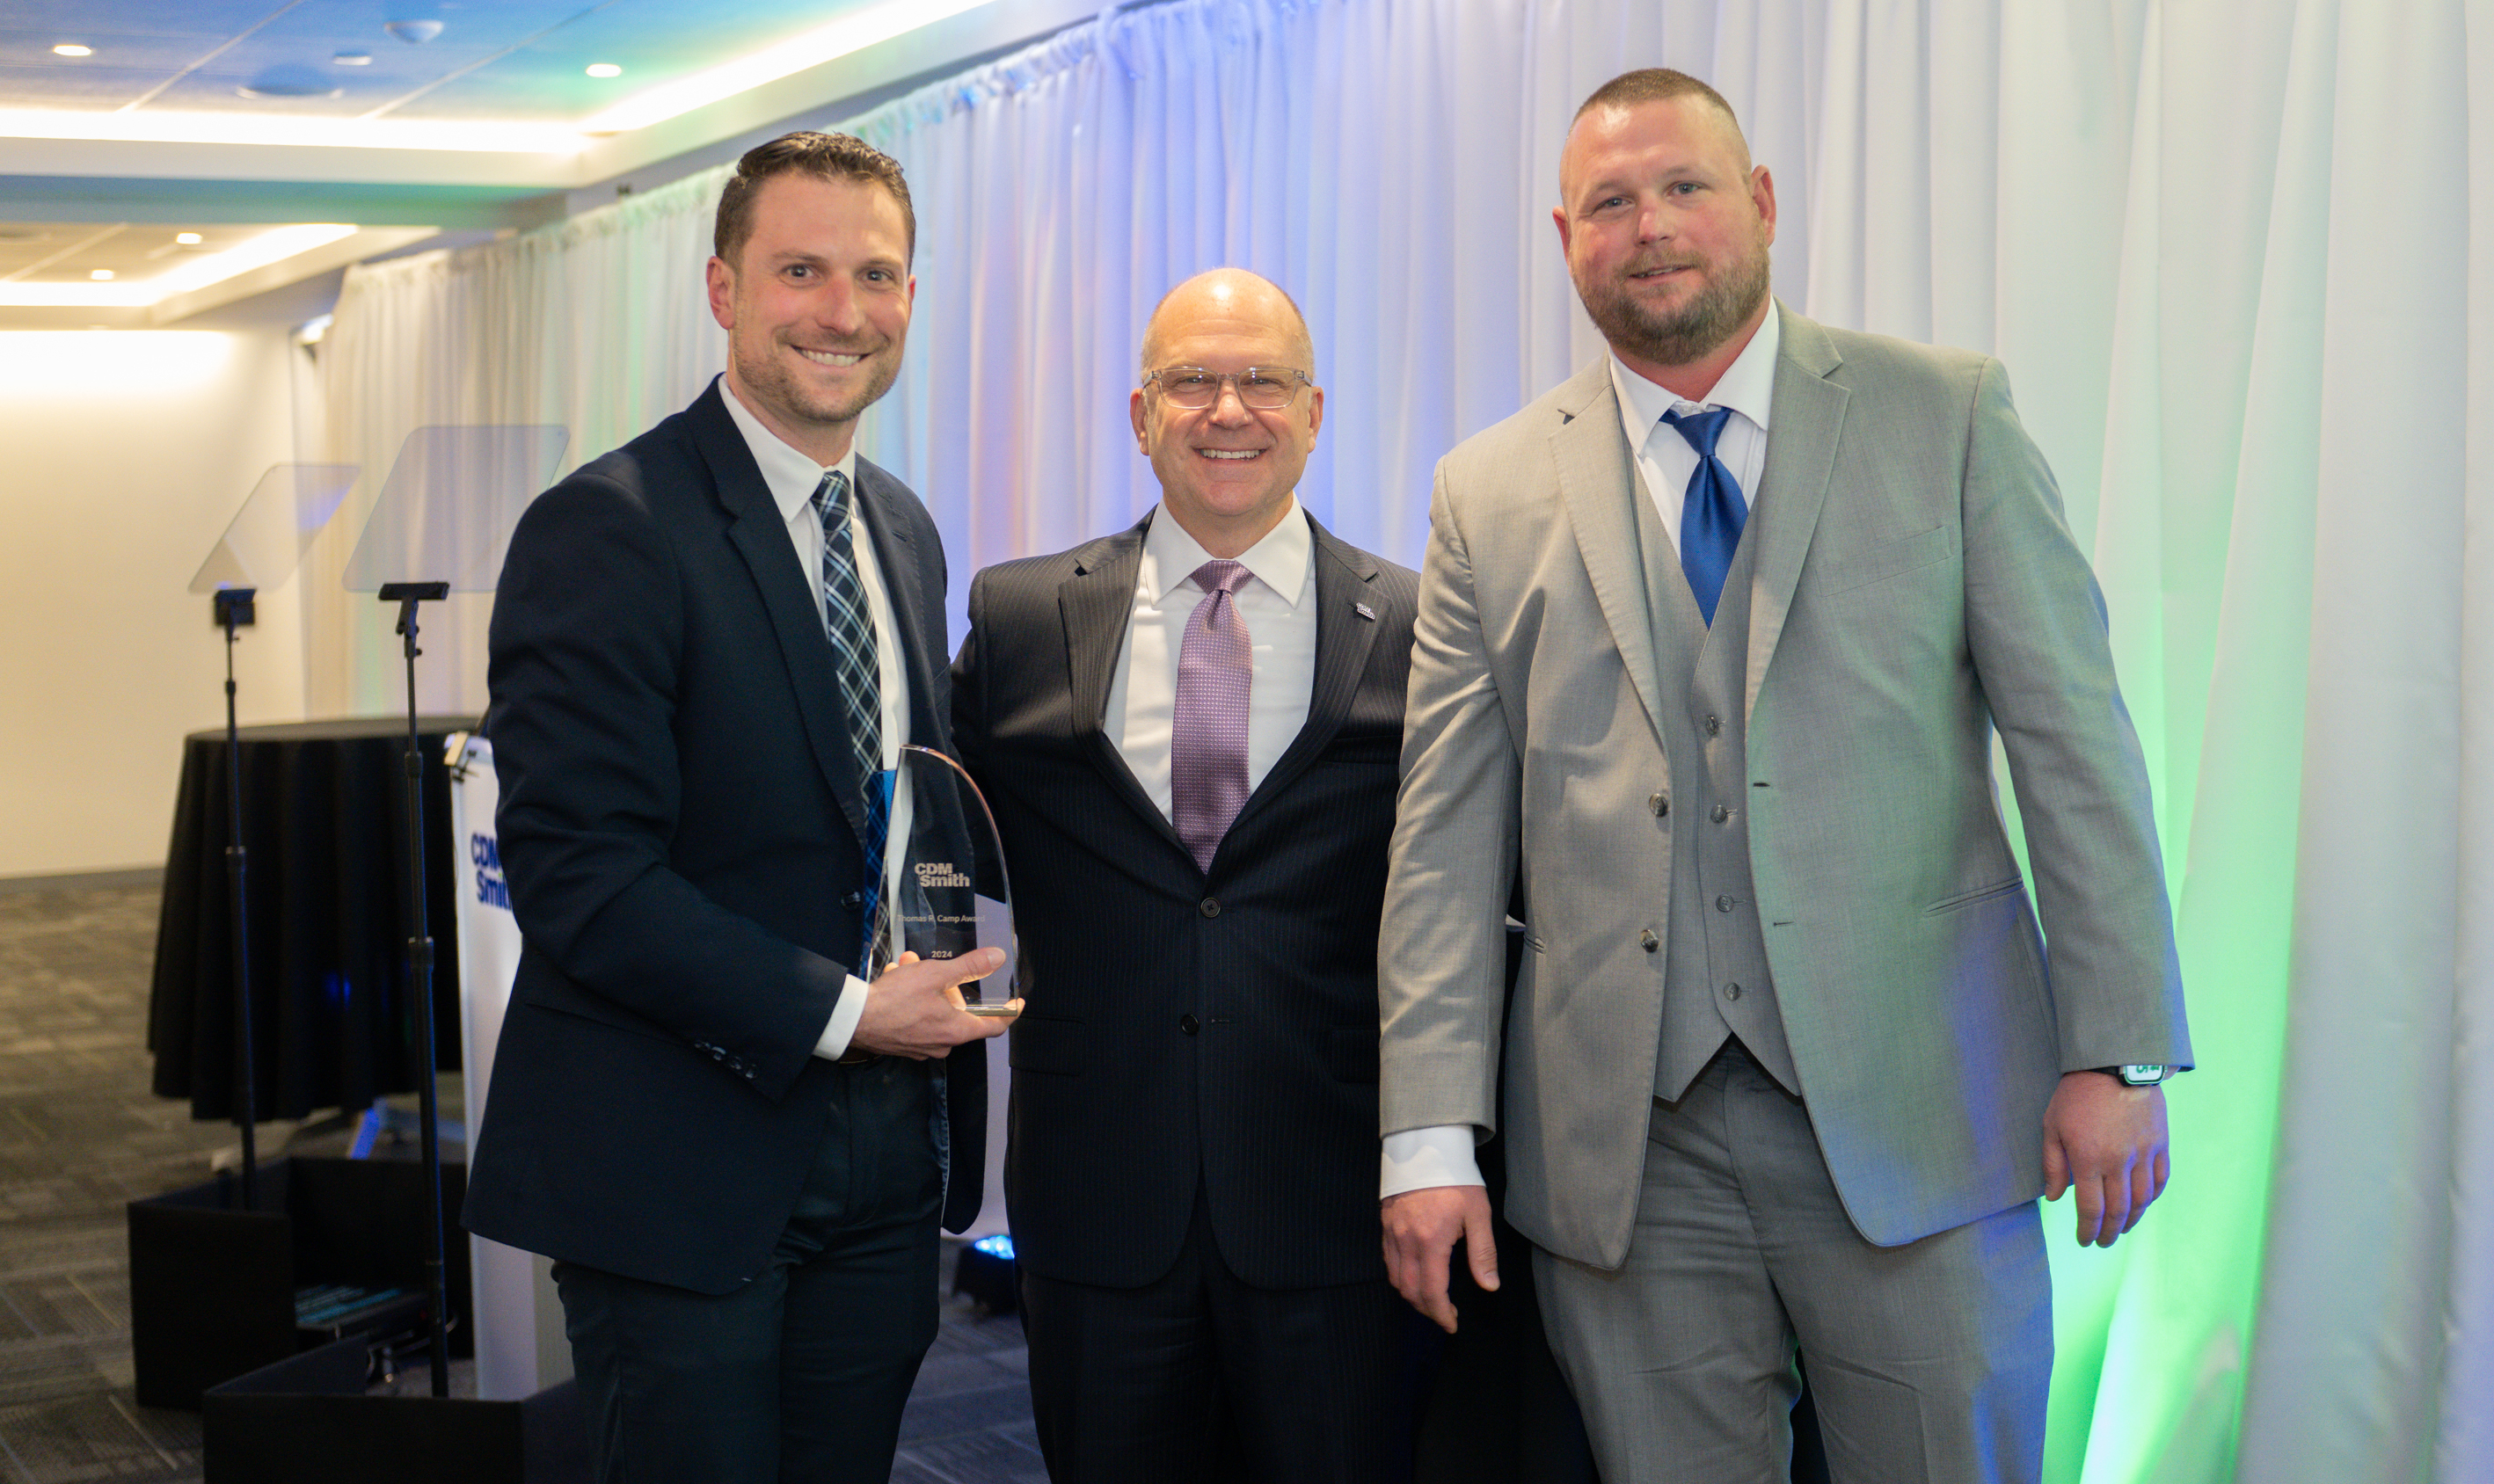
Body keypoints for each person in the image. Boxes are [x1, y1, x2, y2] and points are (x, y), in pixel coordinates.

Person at [1375, 69, 2193, 1483]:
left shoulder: (1946, 415)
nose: (1652, 227)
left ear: (1758, 204)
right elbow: (1443, 842)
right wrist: (1426, 1138)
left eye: (1685, 187)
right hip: (1627, 1156)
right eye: (1611, 204)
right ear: (1565, 234)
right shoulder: (1485, 492)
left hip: (1924, 1114)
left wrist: (2113, 1048)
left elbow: (2076, 747)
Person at [464, 131, 1010, 1484]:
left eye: (875, 273)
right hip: (680, 1152)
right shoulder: (607, 526)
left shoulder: (900, 524)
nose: (842, 310)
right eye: (800, 270)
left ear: (912, 299)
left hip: (889, 1149)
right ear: (723, 289)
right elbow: (581, 876)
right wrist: (844, 1011)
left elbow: (896, 806)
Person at [950, 268, 1421, 1484]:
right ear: (1139, 413)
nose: (1229, 409)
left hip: (1332, 1195)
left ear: (1314, 411)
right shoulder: (1015, 619)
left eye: (1262, 380)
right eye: (1191, 381)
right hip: (1097, 1193)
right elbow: (932, 836)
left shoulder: (1418, 626)